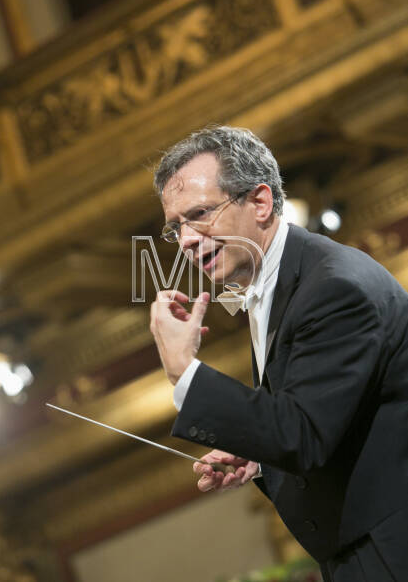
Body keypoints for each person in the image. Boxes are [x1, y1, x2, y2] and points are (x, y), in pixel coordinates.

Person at [149, 125, 408, 582]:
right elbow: (315, 417)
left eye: (201, 214)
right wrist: (258, 454)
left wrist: (182, 369)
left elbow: (301, 434)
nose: (187, 239)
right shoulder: (287, 279)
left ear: (262, 202)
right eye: (177, 227)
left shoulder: (333, 287)